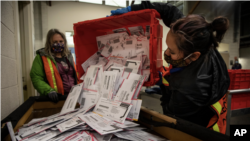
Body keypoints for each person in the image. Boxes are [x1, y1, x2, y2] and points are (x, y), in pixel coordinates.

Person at [109, 1, 230, 134]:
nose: (166, 53)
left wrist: (165, 86)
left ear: (194, 56)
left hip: (203, 133)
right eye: (167, 47)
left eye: (172, 52)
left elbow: (170, 116)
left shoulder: (188, 89)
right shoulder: (199, 39)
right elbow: (168, 10)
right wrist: (133, 8)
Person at [30, 29, 79, 102]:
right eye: (55, 42)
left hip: (72, 98)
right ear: (49, 43)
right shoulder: (41, 57)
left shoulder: (68, 56)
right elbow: (36, 77)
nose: (59, 44)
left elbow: (75, 75)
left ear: (64, 42)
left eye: (61, 41)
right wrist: (49, 91)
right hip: (55, 99)